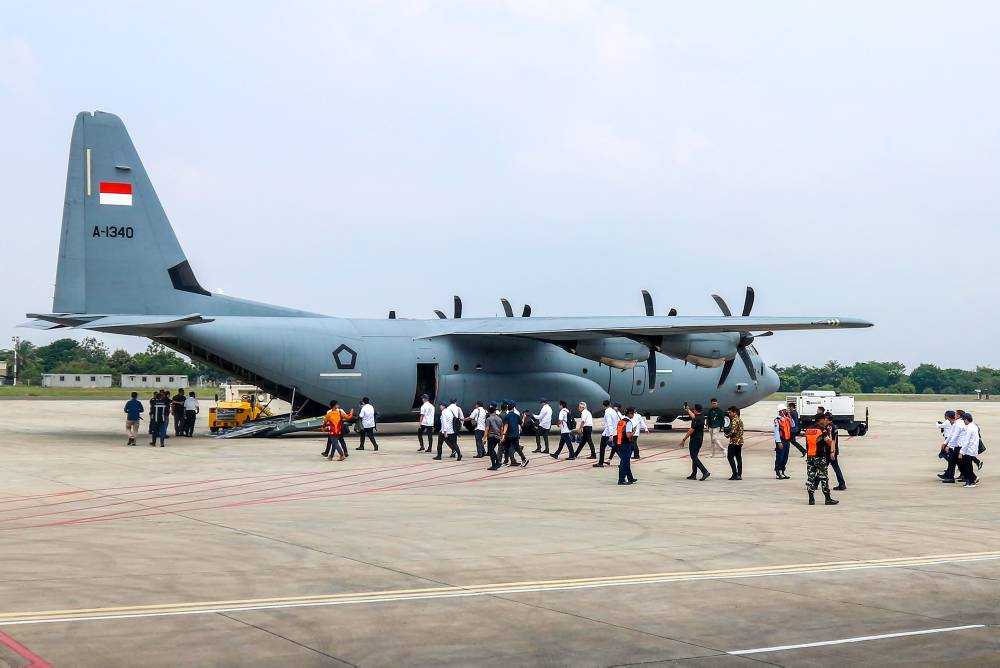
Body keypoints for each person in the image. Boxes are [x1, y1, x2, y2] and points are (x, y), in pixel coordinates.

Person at [804, 414, 839, 505]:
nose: (825, 421)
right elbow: (828, 442)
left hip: (810, 457)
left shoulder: (808, 430)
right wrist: (832, 445)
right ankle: (827, 499)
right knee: (823, 478)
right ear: (820, 420)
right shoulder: (822, 430)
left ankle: (811, 499)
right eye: (824, 419)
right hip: (820, 457)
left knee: (810, 478)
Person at [679, 403, 709, 480]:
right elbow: (693, 416)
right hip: (699, 439)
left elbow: (691, 430)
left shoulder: (697, 419)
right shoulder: (701, 416)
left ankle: (705, 472)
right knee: (694, 456)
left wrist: (684, 439)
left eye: (694, 409)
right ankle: (694, 474)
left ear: (695, 410)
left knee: (694, 457)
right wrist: (688, 410)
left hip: (695, 440)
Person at [939, 410, 964, 483]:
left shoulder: (958, 424)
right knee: (954, 462)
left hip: (959, 446)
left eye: (956, 414)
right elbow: (951, 435)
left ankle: (970, 477)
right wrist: (945, 443)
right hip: (957, 445)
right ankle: (950, 476)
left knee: (956, 462)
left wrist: (948, 445)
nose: (955, 415)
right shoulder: (956, 423)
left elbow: (954, 436)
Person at [501, 401, 528, 467]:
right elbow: (521, 424)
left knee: (506, 448)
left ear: (508, 408)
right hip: (515, 435)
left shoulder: (507, 416)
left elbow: (506, 426)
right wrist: (524, 417)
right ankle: (523, 459)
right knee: (517, 448)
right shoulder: (517, 416)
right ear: (513, 408)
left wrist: (503, 436)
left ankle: (506, 462)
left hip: (509, 435)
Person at [616, 407, 639, 485]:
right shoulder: (628, 422)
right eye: (633, 413)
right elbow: (628, 435)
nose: (633, 415)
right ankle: (621, 479)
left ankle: (630, 478)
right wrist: (634, 431)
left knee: (626, 461)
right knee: (624, 462)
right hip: (626, 443)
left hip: (619, 443)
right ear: (629, 413)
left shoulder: (621, 421)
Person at [957, 412, 980, 487]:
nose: (963, 422)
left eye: (964, 420)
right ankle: (972, 480)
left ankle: (970, 482)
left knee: (967, 466)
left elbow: (966, 441)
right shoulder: (974, 426)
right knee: (969, 466)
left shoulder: (969, 428)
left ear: (966, 420)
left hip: (968, 449)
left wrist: (961, 452)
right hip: (973, 448)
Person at [596, 400, 620, 467]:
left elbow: (609, 424)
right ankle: (624, 460)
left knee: (602, 448)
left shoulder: (607, 413)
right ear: (610, 404)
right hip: (614, 432)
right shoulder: (614, 411)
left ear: (603, 406)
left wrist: (611, 435)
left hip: (608, 433)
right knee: (615, 448)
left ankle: (600, 463)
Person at [827, 419, 846, 491]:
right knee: (836, 468)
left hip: (830, 451)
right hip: (834, 450)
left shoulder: (829, 427)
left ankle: (815, 484)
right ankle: (842, 483)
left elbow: (832, 441)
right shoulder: (834, 426)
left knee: (823, 468)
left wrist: (832, 451)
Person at [726, 406, 744, 480]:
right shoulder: (739, 420)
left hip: (734, 442)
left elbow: (733, 431)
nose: (729, 414)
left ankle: (735, 474)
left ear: (734, 412)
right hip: (740, 442)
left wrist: (727, 435)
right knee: (738, 458)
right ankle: (739, 474)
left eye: (730, 412)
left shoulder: (734, 420)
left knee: (730, 457)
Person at [485, 403, 504, 470]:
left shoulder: (488, 419)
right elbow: (502, 428)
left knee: (490, 450)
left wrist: (484, 438)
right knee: (492, 450)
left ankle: (495, 464)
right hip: (497, 437)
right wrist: (501, 437)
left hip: (491, 436)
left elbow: (487, 428)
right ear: (494, 411)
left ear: (489, 411)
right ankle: (497, 463)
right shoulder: (499, 419)